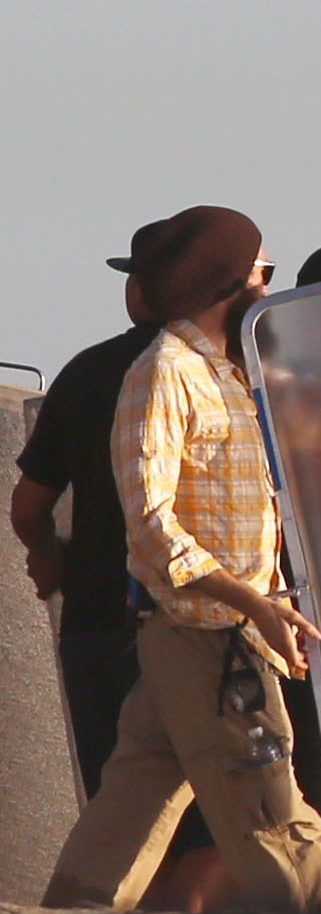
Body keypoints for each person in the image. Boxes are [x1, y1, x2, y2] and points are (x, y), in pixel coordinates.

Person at [40, 205, 321, 913]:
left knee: (129, 807)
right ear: (231, 281)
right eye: (264, 268)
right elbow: (151, 531)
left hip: (204, 638)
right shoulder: (163, 373)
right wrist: (257, 604)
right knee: (271, 808)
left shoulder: (234, 374)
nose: (270, 283)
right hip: (211, 640)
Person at [9, 225, 164, 796]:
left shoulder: (87, 372)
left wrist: (50, 559)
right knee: (229, 813)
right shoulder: (223, 369)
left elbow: (28, 508)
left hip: (94, 623)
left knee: (116, 802)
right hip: (190, 630)